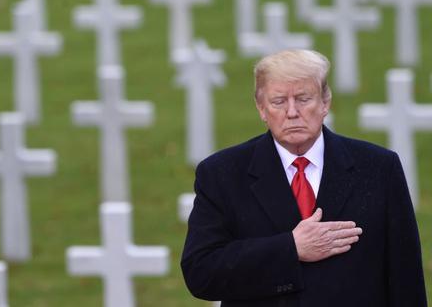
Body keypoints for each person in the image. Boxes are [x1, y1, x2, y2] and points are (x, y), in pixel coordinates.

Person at [181, 49, 427, 306]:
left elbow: (405, 278)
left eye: (303, 98)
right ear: (261, 108)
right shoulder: (222, 174)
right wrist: (290, 249)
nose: (291, 112)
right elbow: (201, 272)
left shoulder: (379, 168)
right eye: (278, 101)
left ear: (325, 102)